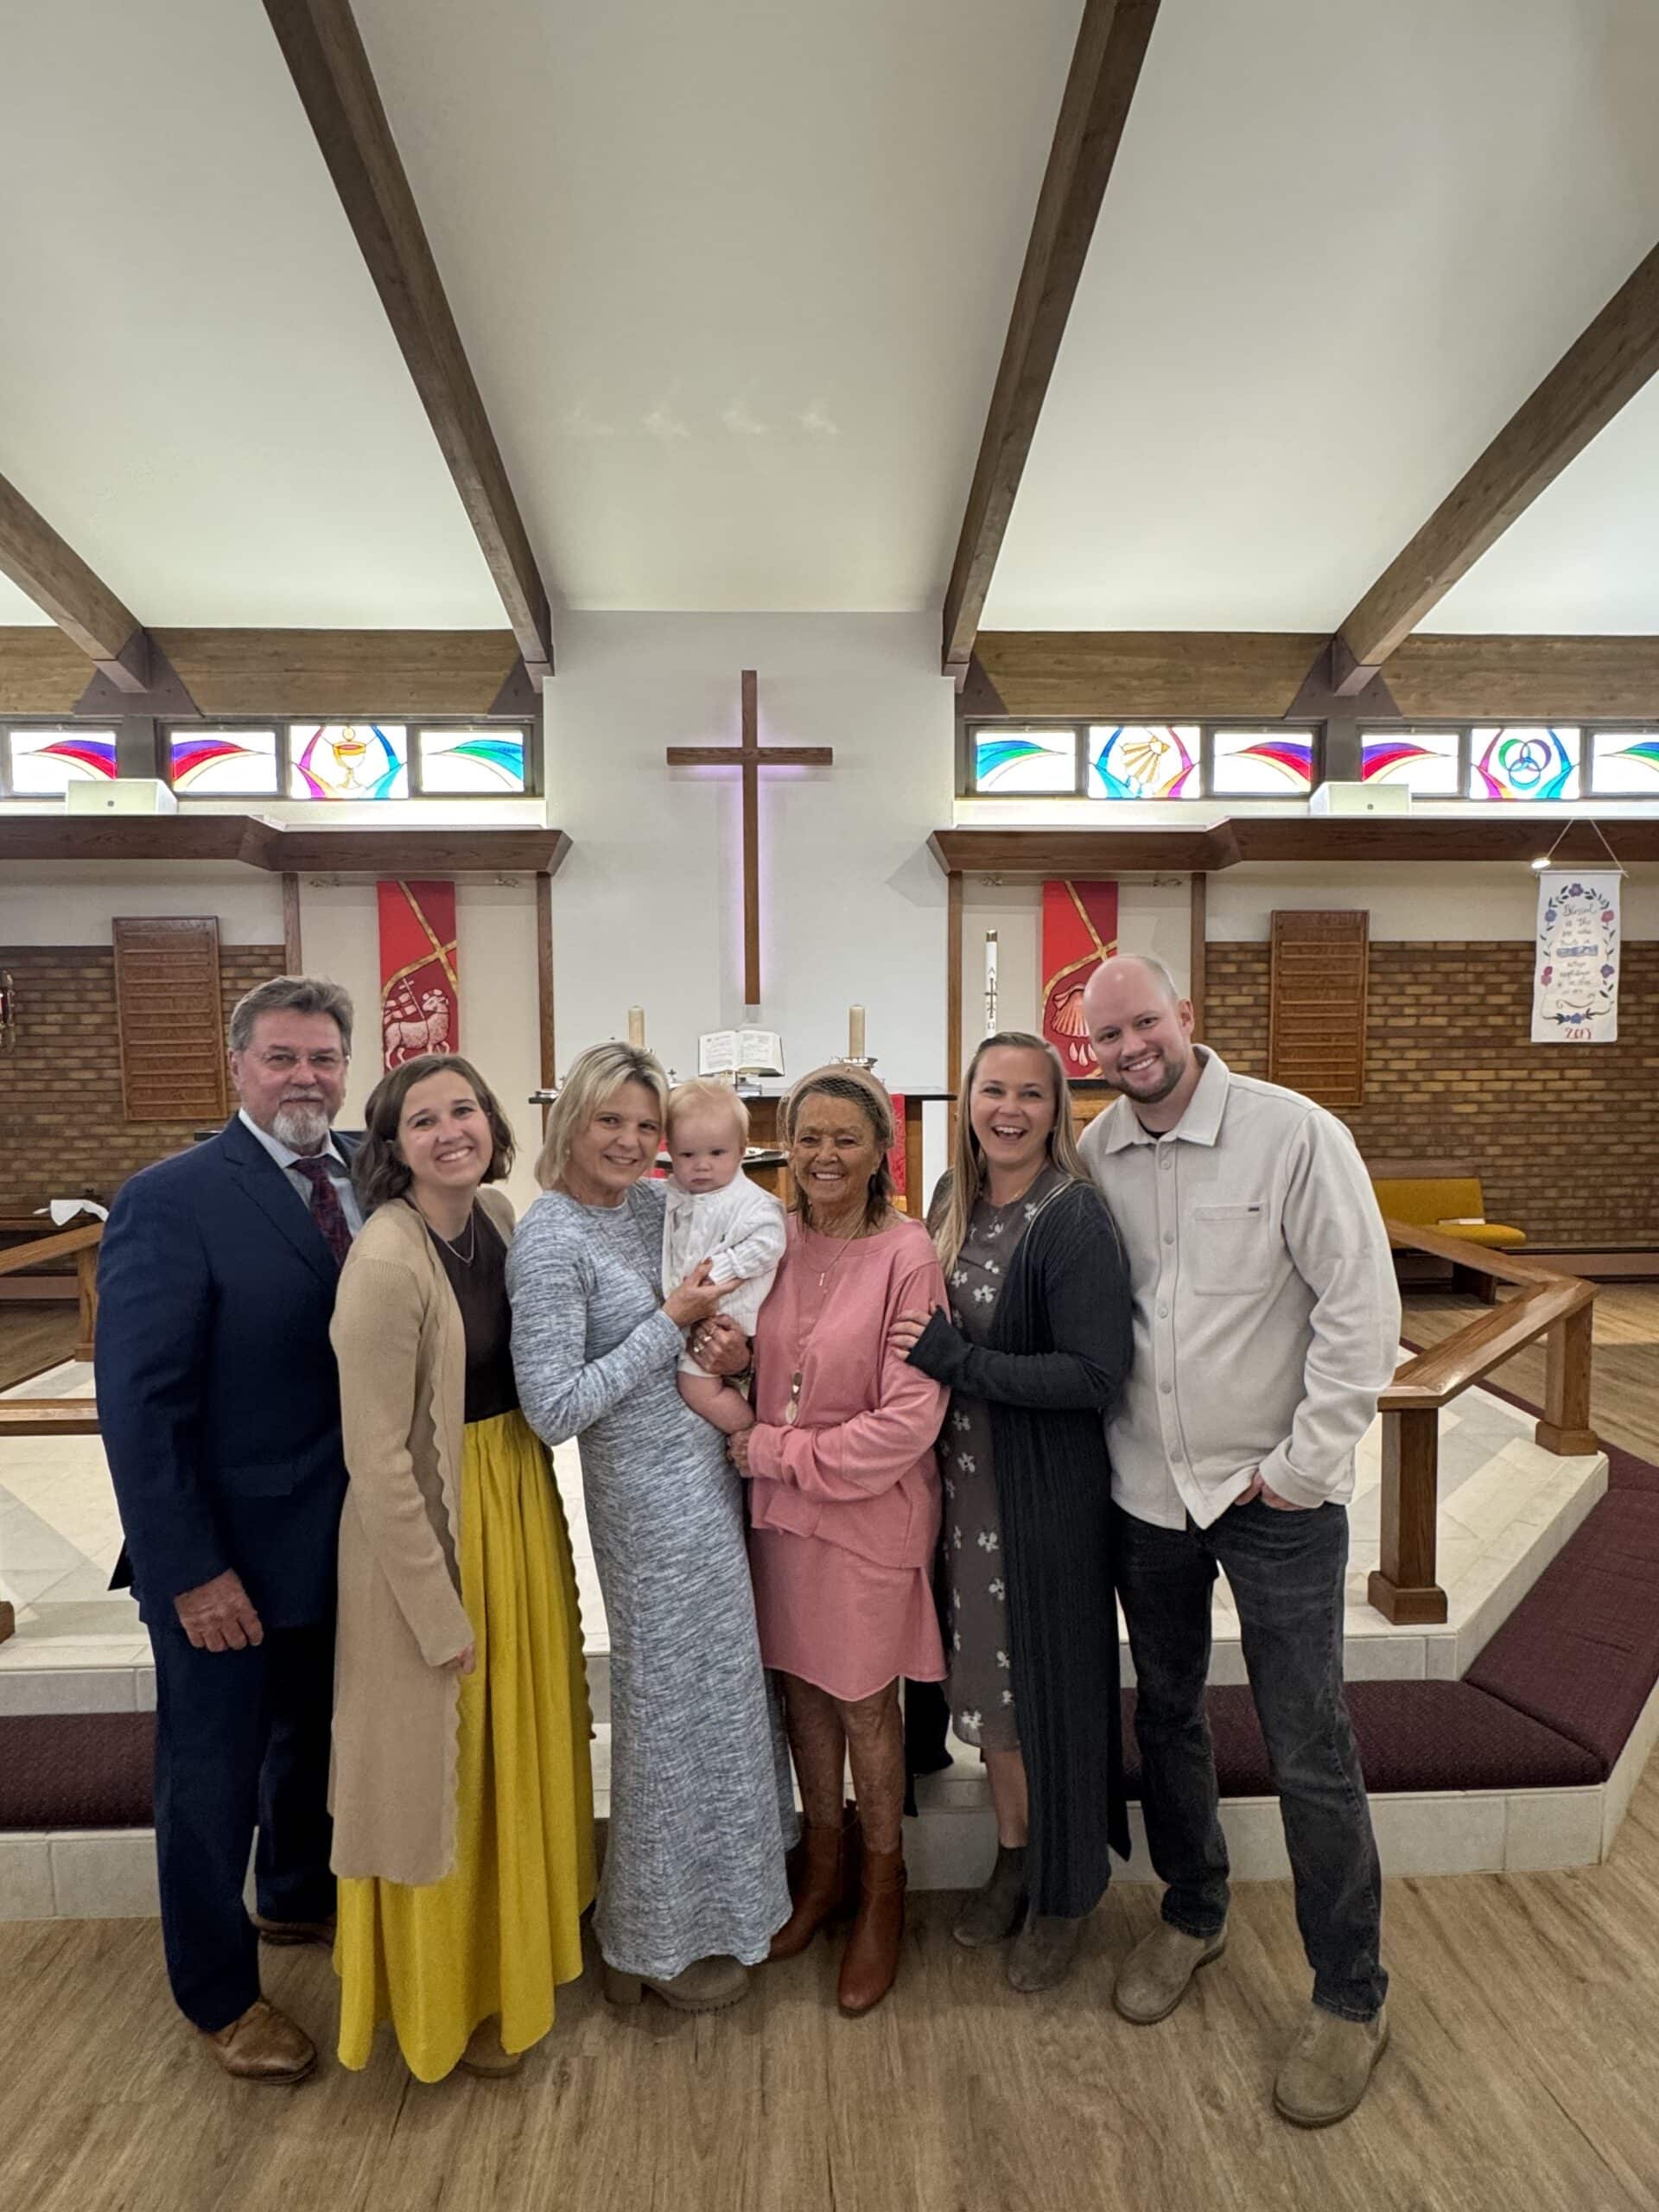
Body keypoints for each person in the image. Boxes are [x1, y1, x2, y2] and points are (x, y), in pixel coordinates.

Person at [1077, 955, 1401, 2129]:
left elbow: (1361, 1305)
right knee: (1164, 1710)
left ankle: (1350, 1993)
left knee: (1307, 1737)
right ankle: (1193, 1911)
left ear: (1186, 1019)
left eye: (1144, 1023)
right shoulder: (1098, 1152)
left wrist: (1305, 1469)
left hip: (1274, 1502)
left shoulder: (1292, 1134)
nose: (1129, 1048)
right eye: (1107, 1035)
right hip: (1146, 1493)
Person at [95, 975, 360, 2084]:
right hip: (227, 1555)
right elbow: (141, 1404)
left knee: (309, 1741)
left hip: (341, 1539)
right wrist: (191, 1569)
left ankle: (296, 1895)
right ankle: (217, 1992)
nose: (306, 1078)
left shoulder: (367, 1180)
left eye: (324, 1059)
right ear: (238, 1066)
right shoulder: (173, 1196)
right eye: (283, 1058)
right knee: (209, 1779)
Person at [507, 1043, 793, 2013]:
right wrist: (669, 1323)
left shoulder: (647, 1207)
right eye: (610, 1122)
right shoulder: (551, 1238)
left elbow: (723, 1298)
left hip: (711, 1480)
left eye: (644, 1125)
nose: (631, 1141)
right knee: (668, 1709)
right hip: (645, 1502)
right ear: (572, 1123)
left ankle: (727, 1908)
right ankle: (655, 1938)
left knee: (720, 1699)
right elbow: (551, 1407)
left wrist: (729, 1343)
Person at [328, 1053, 594, 2081]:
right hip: (435, 1530)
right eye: (424, 1119)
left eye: (466, 1109)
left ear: (492, 1121)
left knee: (512, 1742)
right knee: (451, 1765)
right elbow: (379, 1458)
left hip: (512, 1499)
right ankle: (450, 2005)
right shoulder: (387, 1264)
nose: (453, 1130)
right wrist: (436, 1613)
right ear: (390, 1148)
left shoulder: (496, 1216)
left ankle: (513, 1968)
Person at [889, 1031, 1133, 1992]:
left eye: (1032, 1094)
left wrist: (963, 1365)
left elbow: (1094, 1373)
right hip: (964, 1490)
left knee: (1046, 1695)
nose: (1011, 1109)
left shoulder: (1071, 1219)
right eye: (995, 1090)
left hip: (1041, 1499)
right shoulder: (954, 1202)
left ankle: (1067, 1889)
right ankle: (1015, 1850)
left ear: (1057, 1109)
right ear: (968, 1099)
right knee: (990, 1692)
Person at [722, 1066, 948, 2017]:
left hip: (864, 1515)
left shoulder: (908, 1254)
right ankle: (821, 1871)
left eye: (845, 1139)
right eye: (807, 1137)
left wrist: (774, 1447)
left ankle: (883, 1890)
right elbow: (738, 1350)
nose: (824, 1155)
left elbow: (911, 1416)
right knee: (801, 1694)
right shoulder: (770, 1242)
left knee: (863, 1703)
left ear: (880, 1151)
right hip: (780, 1521)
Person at [663, 1079, 786, 1436]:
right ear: (670, 1152)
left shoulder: (750, 1201)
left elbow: (769, 1242)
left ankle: (748, 1433)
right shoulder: (675, 1194)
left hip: (728, 1314)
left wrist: (722, 1270)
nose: (702, 1166)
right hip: (692, 1313)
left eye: (716, 1154)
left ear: (742, 1150)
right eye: (688, 1155)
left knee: (697, 1387)